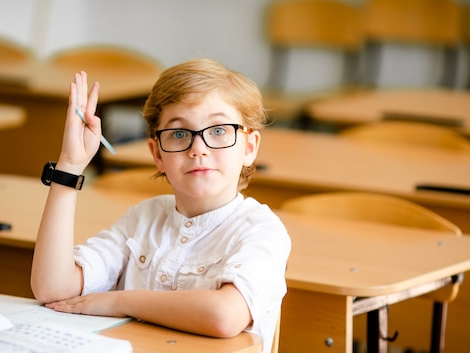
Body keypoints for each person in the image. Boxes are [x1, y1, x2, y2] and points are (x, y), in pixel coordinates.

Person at [31, 58, 291, 353]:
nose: (198, 149)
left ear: (249, 147)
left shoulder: (261, 230)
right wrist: (70, 166)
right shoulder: (142, 218)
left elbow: (224, 315)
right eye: (179, 134)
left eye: (218, 130)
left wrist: (120, 301)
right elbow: (52, 288)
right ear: (157, 154)